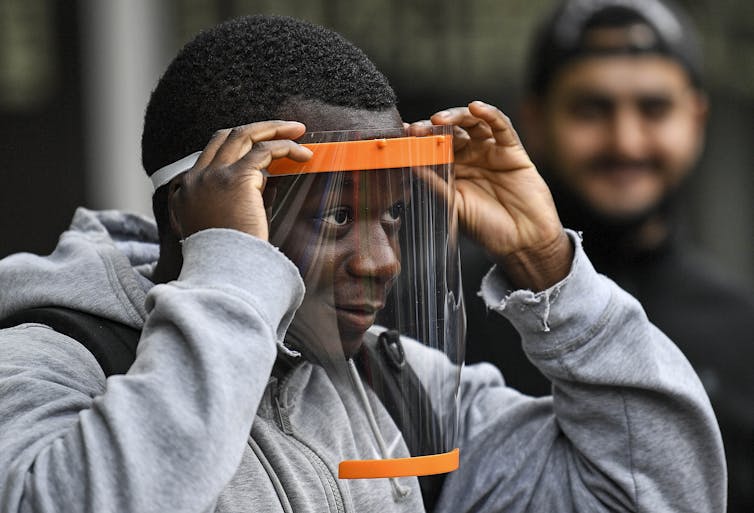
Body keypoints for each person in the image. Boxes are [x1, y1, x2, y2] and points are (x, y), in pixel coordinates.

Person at [0, 14, 725, 513]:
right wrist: (230, 279)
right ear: (200, 211)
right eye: (338, 215)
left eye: (395, 214)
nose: (382, 261)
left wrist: (548, 265)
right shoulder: (50, 362)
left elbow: (658, 493)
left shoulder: (398, 386)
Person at [463, 0, 754, 510]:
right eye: (591, 110)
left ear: (697, 118)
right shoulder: (446, 309)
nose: (625, 141)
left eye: (654, 108)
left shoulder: (744, 329)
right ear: (533, 118)